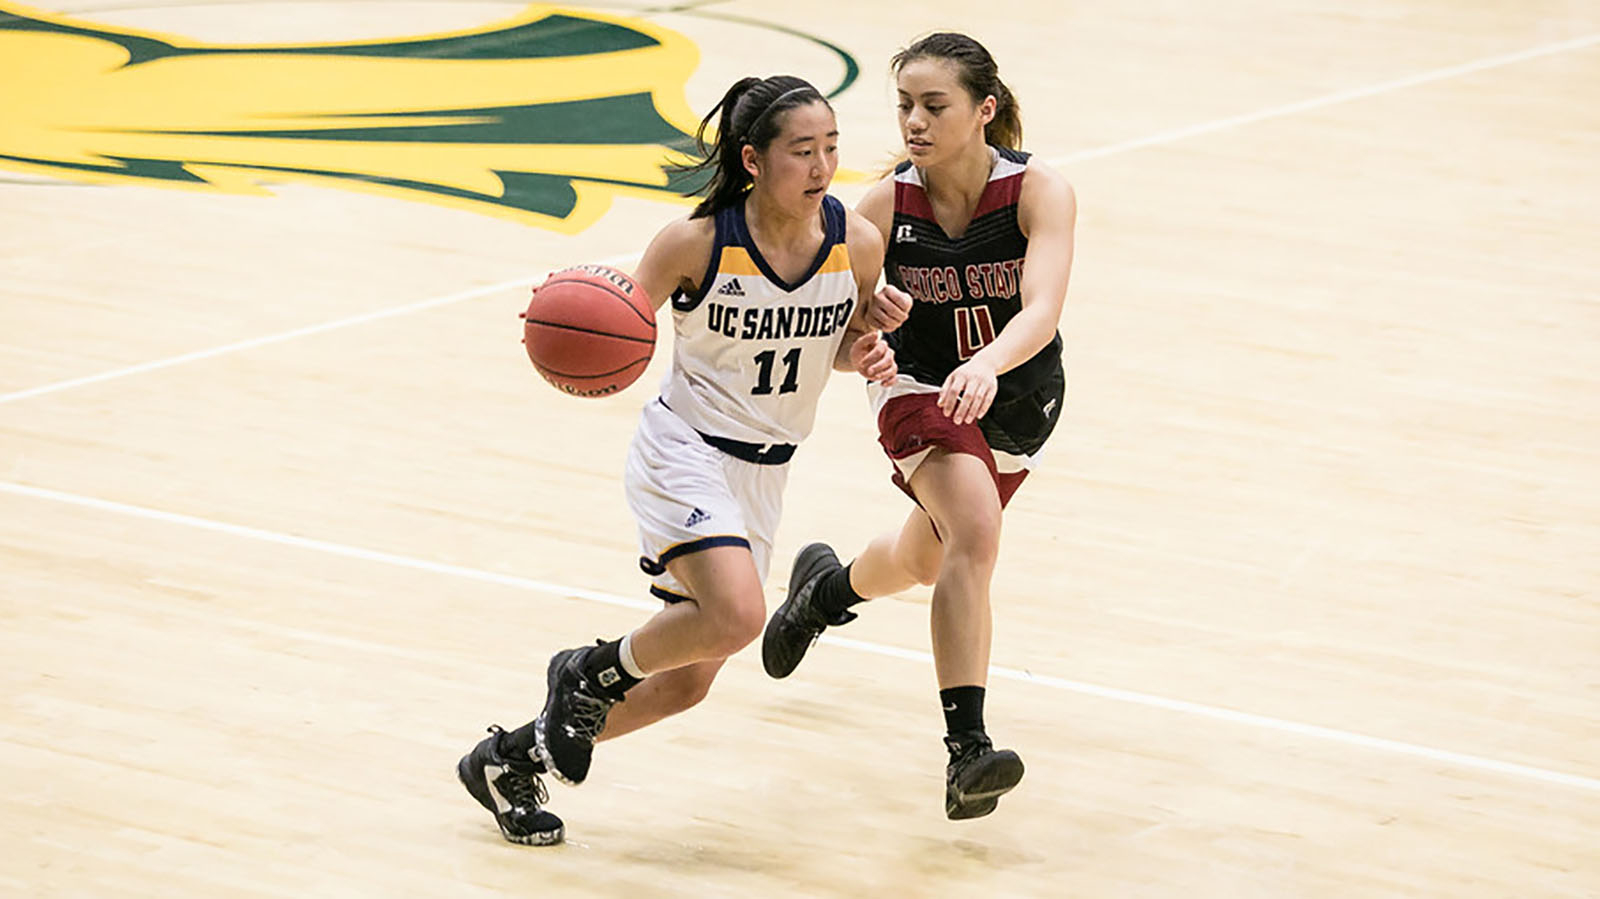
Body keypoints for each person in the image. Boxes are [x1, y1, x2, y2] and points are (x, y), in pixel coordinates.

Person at [456, 74, 902, 846]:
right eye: (803, 151)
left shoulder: (857, 242)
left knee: (688, 683)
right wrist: (568, 324)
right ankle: (590, 671)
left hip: (766, 470)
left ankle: (508, 759)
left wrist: (870, 348)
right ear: (753, 160)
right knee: (737, 615)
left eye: (831, 147)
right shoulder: (697, 242)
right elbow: (616, 318)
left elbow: (836, 351)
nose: (824, 166)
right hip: (685, 450)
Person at [761, 33, 1077, 821]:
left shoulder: (1039, 191)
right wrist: (860, 345)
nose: (915, 122)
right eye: (905, 105)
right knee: (973, 532)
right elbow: (833, 336)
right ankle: (967, 749)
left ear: (986, 110)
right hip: (918, 387)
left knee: (931, 556)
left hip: (1013, 392)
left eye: (935, 105)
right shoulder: (878, 208)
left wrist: (990, 365)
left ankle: (826, 590)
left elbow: (1041, 308)